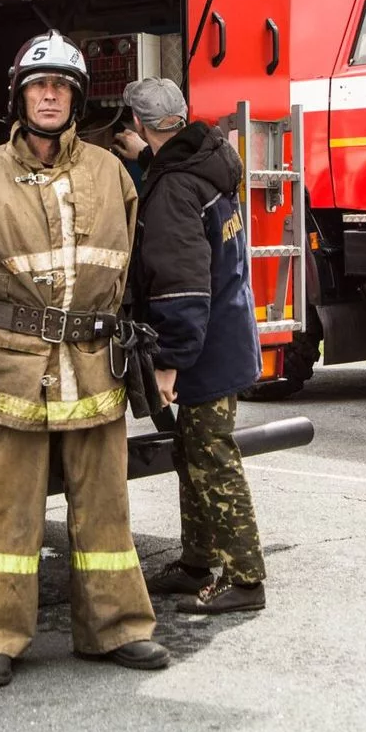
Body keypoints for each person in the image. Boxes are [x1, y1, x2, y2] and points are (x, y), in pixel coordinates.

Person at [0, 30, 169, 688]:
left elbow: (129, 267)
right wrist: (16, 330)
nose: (50, 94)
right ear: (20, 94)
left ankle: (117, 627)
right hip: (17, 366)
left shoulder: (109, 172)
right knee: (4, 505)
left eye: (62, 85)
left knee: (105, 505)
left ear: (76, 97)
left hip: (97, 362)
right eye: (40, 84)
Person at [114, 78, 266, 615]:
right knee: (190, 452)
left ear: (136, 123)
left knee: (211, 456)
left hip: (201, 346)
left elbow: (182, 283)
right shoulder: (207, 161)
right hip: (226, 331)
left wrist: (172, 361)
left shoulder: (175, 188)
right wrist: (145, 162)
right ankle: (197, 561)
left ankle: (245, 578)